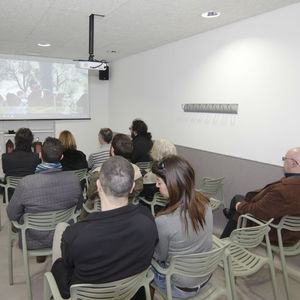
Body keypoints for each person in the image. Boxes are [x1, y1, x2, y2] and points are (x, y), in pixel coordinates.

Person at [51, 156, 158, 299]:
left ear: (98, 185)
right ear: (132, 187)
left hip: (84, 295)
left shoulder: (75, 234)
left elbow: (68, 264)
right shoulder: (148, 220)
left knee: (58, 259)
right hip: (131, 292)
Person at [6, 137, 83, 262]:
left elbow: (11, 214)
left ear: (40, 155)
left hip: (33, 240)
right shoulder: (74, 179)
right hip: (65, 235)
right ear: (62, 157)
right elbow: (79, 207)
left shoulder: (26, 183)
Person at [151, 155, 213, 299]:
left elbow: (160, 256)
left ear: (173, 184)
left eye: (159, 182)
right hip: (205, 275)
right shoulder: (205, 202)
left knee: (142, 266)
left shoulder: (164, 221)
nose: (156, 186)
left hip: (179, 288)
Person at [221, 147, 300, 246]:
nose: (283, 162)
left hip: (274, 233)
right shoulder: (292, 185)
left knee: (237, 205)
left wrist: (239, 206)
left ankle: (222, 245)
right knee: (239, 201)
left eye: (285, 159)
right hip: (291, 233)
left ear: (293, 163)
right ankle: (232, 215)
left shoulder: (284, 191)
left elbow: (257, 211)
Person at [84, 134, 143, 217]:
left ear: (112, 150)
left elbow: (90, 195)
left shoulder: (99, 174)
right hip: (127, 212)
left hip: (100, 214)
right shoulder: (137, 172)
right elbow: (136, 192)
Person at [2, 128, 40, 201]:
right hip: (31, 194)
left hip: (11, 195)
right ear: (31, 141)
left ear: (15, 141)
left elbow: (5, 171)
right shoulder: (36, 157)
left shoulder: (5, 157)